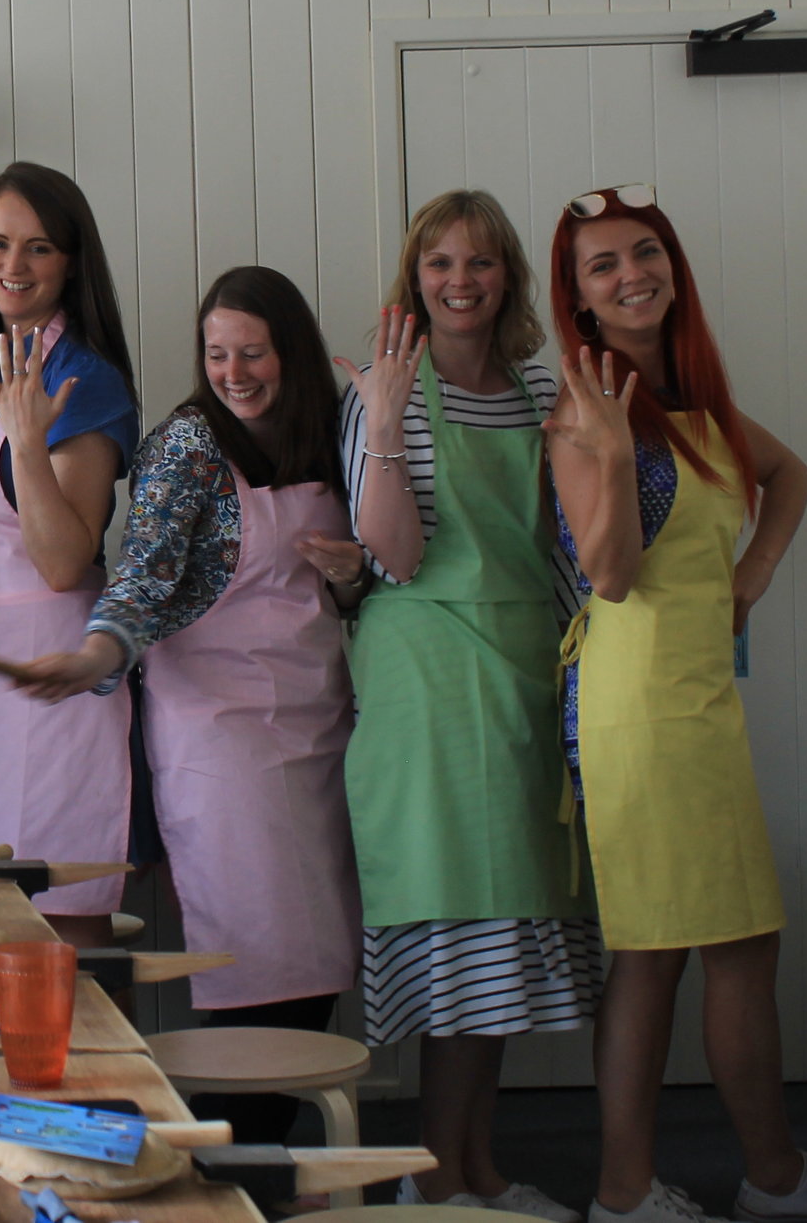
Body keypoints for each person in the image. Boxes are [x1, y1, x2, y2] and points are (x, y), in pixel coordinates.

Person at [546, 187, 807, 1223]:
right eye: (601, 265)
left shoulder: (691, 399)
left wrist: (759, 570)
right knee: (691, 946)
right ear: (579, 297)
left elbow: (789, 476)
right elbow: (606, 575)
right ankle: (718, 1180)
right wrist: (607, 450)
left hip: (691, 701)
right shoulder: (584, 408)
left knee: (694, 944)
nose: (629, 273)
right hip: (640, 707)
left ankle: (693, 1180)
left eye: (643, 251)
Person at [17, 265, 363, 1143]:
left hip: (320, 728)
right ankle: (223, 1162)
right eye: (217, 354)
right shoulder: (186, 447)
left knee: (317, 967)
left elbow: (371, 577)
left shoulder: (325, 435)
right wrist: (96, 652)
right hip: (222, 745)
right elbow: (139, 581)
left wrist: (355, 577)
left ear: (293, 353)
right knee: (263, 970)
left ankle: (249, 1163)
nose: (235, 371)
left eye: (253, 352)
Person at [337, 191, 596, 1222]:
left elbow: (560, 540)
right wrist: (391, 420)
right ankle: (433, 1175)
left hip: (523, 671)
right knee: (456, 935)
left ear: (509, 277)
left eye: (480, 262)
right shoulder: (384, 387)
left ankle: (476, 1167)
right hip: (430, 681)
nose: (459, 280)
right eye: (439, 261)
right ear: (414, 274)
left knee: (501, 933)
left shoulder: (538, 391)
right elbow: (390, 553)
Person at [0, 163, 140, 935]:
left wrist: (25, 443)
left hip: (57, 667)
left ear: (72, 261)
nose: (11, 267)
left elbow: (63, 561)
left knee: (57, 915)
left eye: (38, 247)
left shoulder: (87, 380)